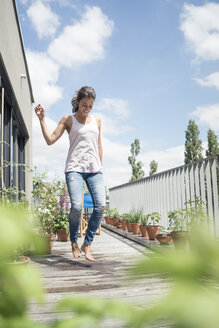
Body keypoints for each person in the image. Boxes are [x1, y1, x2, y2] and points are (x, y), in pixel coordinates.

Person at [34, 86, 106, 262]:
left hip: (94, 169)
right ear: (78, 102)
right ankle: (74, 241)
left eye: (90, 106)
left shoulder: (96, 120)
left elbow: (99, 145)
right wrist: (42, 119)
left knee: (101, 206)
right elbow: (50, 140)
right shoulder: (68, 120)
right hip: (74, 168)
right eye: (84, 105)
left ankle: (87, 244)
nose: (87, 109)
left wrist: (100, 165)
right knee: (75, 206)